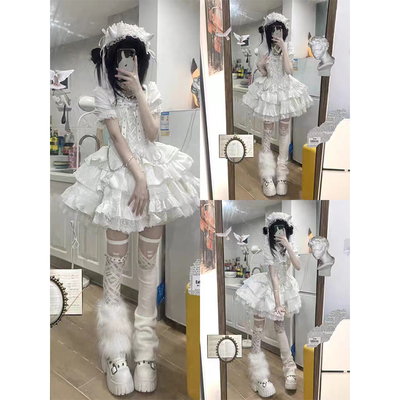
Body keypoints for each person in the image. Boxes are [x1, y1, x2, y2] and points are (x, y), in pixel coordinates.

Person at [61, 22, 199, 396]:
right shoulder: (104, 94)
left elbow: (152, 134)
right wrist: (138, 178)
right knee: (114, 270)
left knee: (148, 270)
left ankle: (145, 353)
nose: (128, 63)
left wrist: (139, 91)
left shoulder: (149, 91)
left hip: (154, 176)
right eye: (123, 57)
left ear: (141, 60)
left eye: (134, 57)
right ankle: (115, 351)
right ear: (111, 61)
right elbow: (117, 138)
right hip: (121, 176)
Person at [243, 13, 313, 197]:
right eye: (273, 30)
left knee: (283, 133)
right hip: (269, 92)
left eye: (280, 30)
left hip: (285, 92)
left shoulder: (288, 47)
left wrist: (283, 48)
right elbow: (264, 73)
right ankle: (267, 175)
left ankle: (282, 175)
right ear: (268, 32)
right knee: (267, 133)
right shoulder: (263, 48)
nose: (277, 33)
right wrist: (260, 65)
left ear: (284, 31)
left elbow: (289, 71)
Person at [235, 212, 301, 397]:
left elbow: (297, 265)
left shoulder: (289, 244)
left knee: (280, 327)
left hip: (284, 286)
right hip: (266, 288)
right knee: (258, 329)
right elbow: (273, 277)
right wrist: (277, 304)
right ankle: (258, 375)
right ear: (271, 232)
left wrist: (287, 245)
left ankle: (290, 369)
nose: (279, 233)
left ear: (287, 230)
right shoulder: (268, 248)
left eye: (283, 230)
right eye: (276, 230)